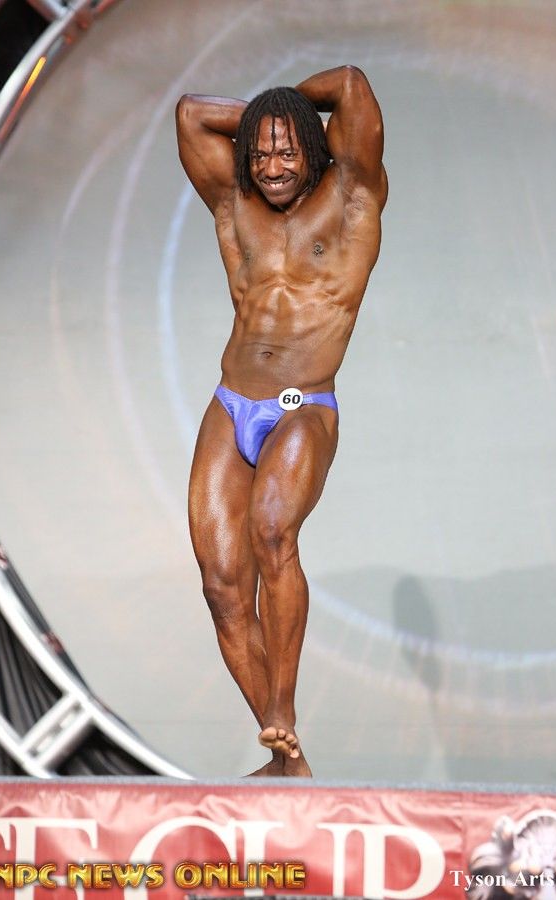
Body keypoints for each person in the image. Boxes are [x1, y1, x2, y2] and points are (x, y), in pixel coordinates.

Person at [176, 66, 387, 777]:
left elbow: (350, 85)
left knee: (271, 532)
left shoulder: (352, 194)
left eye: (287, 150)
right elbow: (190, 113)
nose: (271, 167)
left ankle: (284, 714)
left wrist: (286, 110)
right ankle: (285, 758)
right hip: (231, 403)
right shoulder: (233, 201)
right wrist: (271, 118)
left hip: (302, 406)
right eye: (260, 153)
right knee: (221, 586)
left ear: (312, 147)